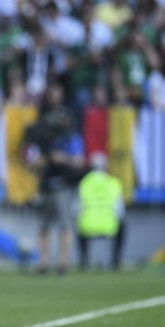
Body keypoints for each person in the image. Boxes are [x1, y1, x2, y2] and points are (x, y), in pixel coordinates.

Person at [24, 82, 84, 274]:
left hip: (64, 183)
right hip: (46, 183)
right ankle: (43, 262)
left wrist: (62, 158)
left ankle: (63, 263)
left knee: (65, 224)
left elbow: (79, 160)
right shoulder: (43, 139)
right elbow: (31, 159)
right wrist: (42, 160)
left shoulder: (71, 138)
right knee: (44, 224)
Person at [76, 152, 125, 271]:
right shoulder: (113, 182)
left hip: (88, 225)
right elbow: (120, 208)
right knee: (123, 227)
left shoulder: (84, 183)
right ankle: (115, 261)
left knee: (78, 227)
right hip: (109, 225)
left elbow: (77, 207)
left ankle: (84, 260)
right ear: (105, 167)